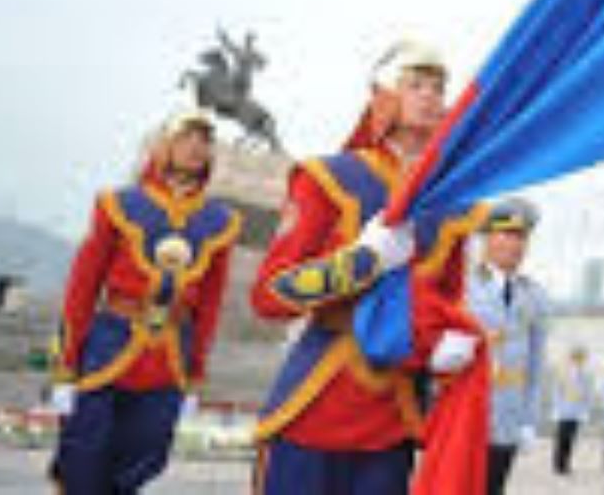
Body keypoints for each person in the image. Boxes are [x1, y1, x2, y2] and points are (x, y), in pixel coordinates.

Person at [251, 40, 481, 494]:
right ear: (384, 97)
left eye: (438, 87)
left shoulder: (454, 204)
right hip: (318, 401)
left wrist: (446, 340)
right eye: (416, 84)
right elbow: (269, 295)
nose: (431, 96)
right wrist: (362, 260)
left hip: (393, 414)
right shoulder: (330, 178)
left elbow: (446, 300)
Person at [49, 108, 241, 492]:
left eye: (205, 141)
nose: (196, 148)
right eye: (187, 138)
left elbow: (210, 304)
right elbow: (83, 286)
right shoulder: (118, 204)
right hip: (110, 344)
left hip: (169, 355)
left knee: (147, 453)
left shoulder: (219, 220)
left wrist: (195, 375)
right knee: (84, 452)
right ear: (164, 146)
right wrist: (67, 366)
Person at [466, 197, 548, 494]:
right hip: (466, 414)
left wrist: (528, 420)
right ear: (486, 238)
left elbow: (536, 365)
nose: (515, 245)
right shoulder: (464, 287)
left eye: (521, 237)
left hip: (507, 418)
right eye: (507, 235)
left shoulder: (534, 296)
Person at [552, 345, 594, 475]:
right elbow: (557, 391)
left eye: (581, 358)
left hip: (576, 411)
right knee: (561, 438)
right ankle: (558, 464)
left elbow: (588, 394)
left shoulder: (586, 374)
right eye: (577, 357)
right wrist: (557, 408)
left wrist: (585, 411)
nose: (579, 360)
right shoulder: (563, 371)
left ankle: (566, 463)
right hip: (564, 410)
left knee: (571, 438)